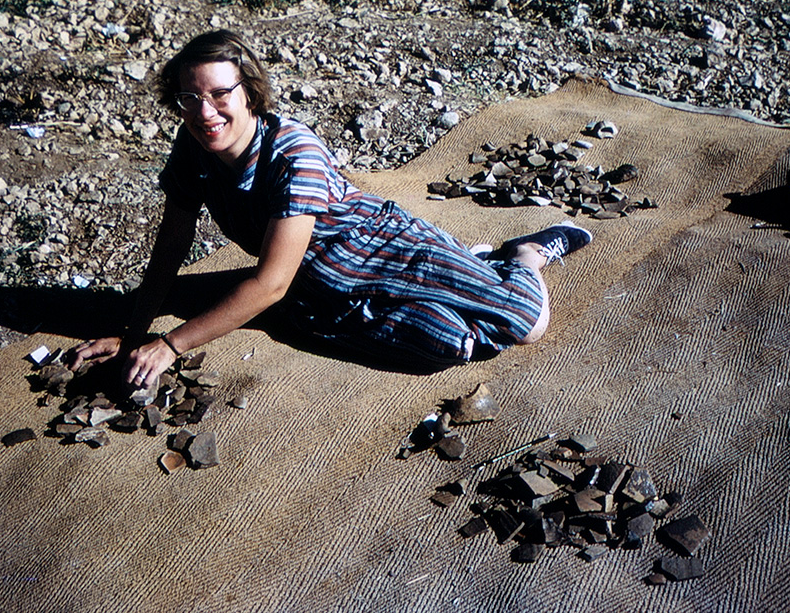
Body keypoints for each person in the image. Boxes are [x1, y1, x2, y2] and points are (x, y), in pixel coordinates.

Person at [69, 30, 591, 391]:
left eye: (219, 94)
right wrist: (133, 335)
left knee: (526, 324)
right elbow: (169, 252)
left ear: (249, 93)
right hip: (311, 283)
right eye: (189, 98)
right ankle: (472, 269)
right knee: (448, 341)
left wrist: (170, 345)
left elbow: (269, 283)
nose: (205, 112)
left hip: (379, 248)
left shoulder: (293, 151)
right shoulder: (193, 147)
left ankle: (522, 257)